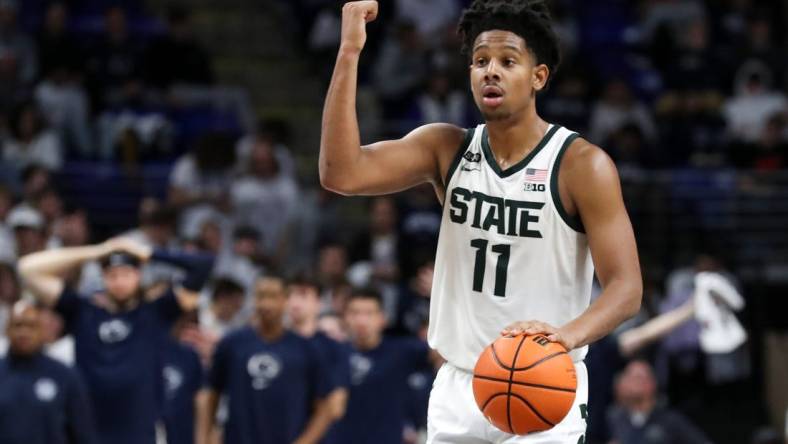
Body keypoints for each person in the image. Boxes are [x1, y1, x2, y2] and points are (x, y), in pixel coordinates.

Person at [319, 1, 643, 442]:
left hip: (544, 382)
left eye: (508, 61)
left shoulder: (580, 164)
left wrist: (565, 337)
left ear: (538, 77)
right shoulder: (445, 147)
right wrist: (349, 53)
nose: (490, 71)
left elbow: (626, 288)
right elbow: (341, 173)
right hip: (460, 386)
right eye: (480, 61)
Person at [17, 237, 214, 444]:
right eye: (113, 275)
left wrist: (147, 252)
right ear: (103, 277)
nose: (120, 282)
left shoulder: (156, 313)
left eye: (126, 274)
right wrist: (96, 251)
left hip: (140, 435)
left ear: (138, 276)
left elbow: (203, 266)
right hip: (89, 434)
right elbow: (28, 269)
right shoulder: (82, 312)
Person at [198, 274, 336, 444]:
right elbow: (210, 394)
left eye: (273, 297)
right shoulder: (232, 344)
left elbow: (324, 407)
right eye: (261, 296)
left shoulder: (306, 350)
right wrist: (205, 437)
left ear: (286, 300)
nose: (266, 304)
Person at [332, 288, 439, 444]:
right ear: (345, 317)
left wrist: (437, 298)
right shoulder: (332, 353)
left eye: (369, 313)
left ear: (383, 318)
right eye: (355, 313)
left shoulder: (401, 351)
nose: (361, 320)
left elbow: (441, 351)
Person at [0, 300, 98, 444]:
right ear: (7, 330)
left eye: (31, 326)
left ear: (42, 331)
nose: (24, 333)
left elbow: (83, 434)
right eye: (18, 325)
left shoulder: (65, 376)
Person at [286, 273, 351, 443]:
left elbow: (336, 406)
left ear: (319, 303)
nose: (294, 301)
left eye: (303, 294)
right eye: (289, 294)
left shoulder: (333, 348)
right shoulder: (273, 344)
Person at [606, 360, 711, 444]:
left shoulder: (670, 421)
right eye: (628, 377)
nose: (632, 383)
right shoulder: (613, 417)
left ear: (652, 384)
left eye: (638, 378)